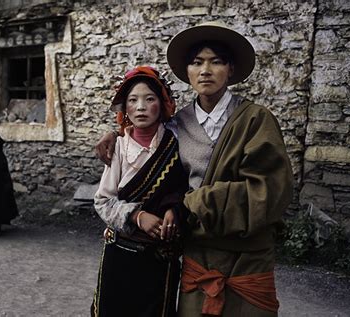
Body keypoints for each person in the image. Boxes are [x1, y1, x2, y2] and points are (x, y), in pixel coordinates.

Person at [95, 21, 294, 316]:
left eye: (216, 62)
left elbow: (271, 191)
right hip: (196, 251)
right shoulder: (178, 125)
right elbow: (145, 135)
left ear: (231, 70)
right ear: (186, 72)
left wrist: (191, 203)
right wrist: (115, 132)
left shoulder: (255, 120)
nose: (206, 71)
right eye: (197, 62)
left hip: (245, 253)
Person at [91, 66, 188, 317]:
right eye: (133, 100)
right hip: (121, 253)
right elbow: (103, 201)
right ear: (125, 109)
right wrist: (137, 216)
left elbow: (184, 187)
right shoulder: (120, 147)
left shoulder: (177, 143)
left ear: (163, 103)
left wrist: (174, 210)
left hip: (159, 256)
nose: (141, 107)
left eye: (150, 99)